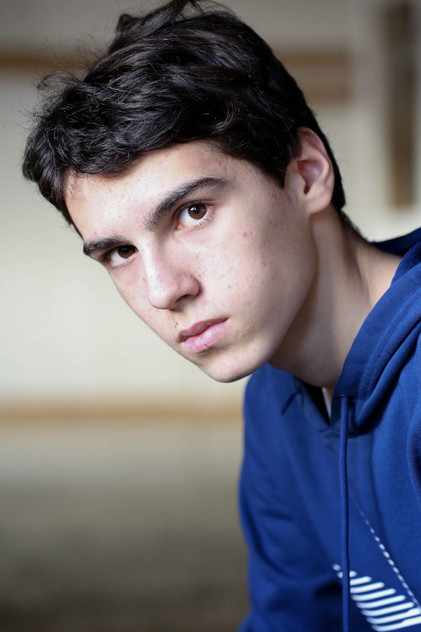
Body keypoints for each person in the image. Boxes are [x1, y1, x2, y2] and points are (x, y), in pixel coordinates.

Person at [22, 0, 421, 630]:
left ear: (306, 173)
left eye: (192, 212)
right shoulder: (276, 397)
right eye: (121, 252)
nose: (163, 290)